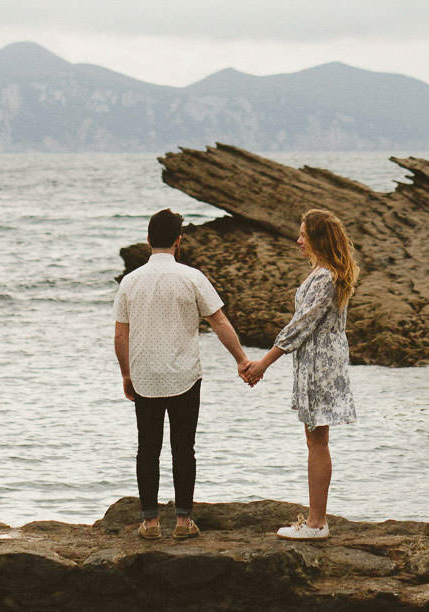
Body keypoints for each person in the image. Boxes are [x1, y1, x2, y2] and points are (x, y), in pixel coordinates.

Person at [114, 208, 252, 540]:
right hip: (184, 376)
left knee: (147, 447)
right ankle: (182, 521)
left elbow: (120, 335)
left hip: (145, 374)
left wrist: (126, 374)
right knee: (183, 447)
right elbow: (219, 322)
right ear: (179, 241)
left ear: (148, 240)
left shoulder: (130, 281)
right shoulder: (193, 277)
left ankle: (149, 522)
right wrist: (241, 360)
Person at [242, 208, 359, 541]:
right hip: (319, 358)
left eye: (304, 235)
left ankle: (316, 523)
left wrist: (264, 363)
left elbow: (302, 325)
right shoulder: (327, 272)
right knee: (315, 439)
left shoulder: (325, 277)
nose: (298, 240)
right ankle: (315, 518)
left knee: (317, 441)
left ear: (318, 238)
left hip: (321, 361)